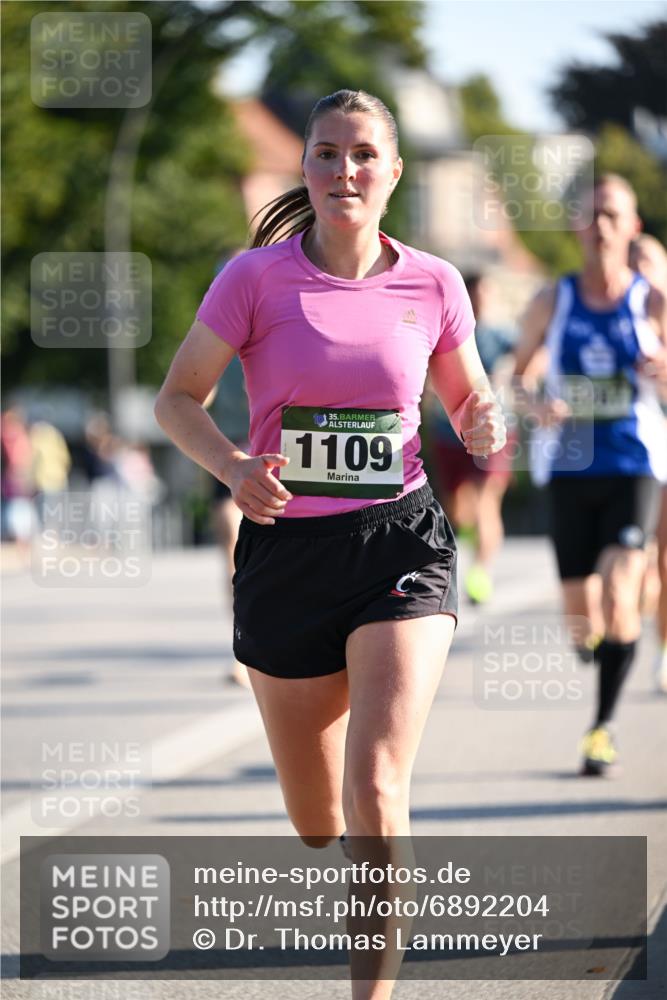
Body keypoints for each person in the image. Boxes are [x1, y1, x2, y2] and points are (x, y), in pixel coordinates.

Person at [155, 89, 504, 999]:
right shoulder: (254, 279)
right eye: (323, 153)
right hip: (286, 555)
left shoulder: (432, 282)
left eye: (360, 154)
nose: (342, 170)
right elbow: (176, 399)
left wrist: (483, 420)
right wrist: (234, 467)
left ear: (392, 172)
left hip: (400, 544)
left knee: (378, 788)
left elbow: (467, 399)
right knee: (319, 821)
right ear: (303, 168)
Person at [514, 174, 667, 776]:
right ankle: (591, 644)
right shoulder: (554, 300)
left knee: (620, 587)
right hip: (572, 467)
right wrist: (537, 406)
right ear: (577, 227)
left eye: (612, 215)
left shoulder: (653, 302)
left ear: (632, 228)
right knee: (582, 618)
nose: (601, 226)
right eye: (591, 215)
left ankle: (601, 728)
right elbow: (518, 376)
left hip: (634, 465)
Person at [425, 272, 517, 604]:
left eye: (484, 295)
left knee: (486, 502)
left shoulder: (504, 334)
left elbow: (532, 357)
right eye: (473, 294)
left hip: (493, 428)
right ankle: (470, 539)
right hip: (446, 429)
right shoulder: (445, 324)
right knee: (458, 509)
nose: (479, 301)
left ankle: (480, 571)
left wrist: (515, 377)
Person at [629, 234, 667, 692]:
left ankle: (663, 649)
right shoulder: (618, 320)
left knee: (664, 557)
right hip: (632, 453)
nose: (641, 272)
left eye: (650, 263)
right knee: (639, 559)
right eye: (633, 264)